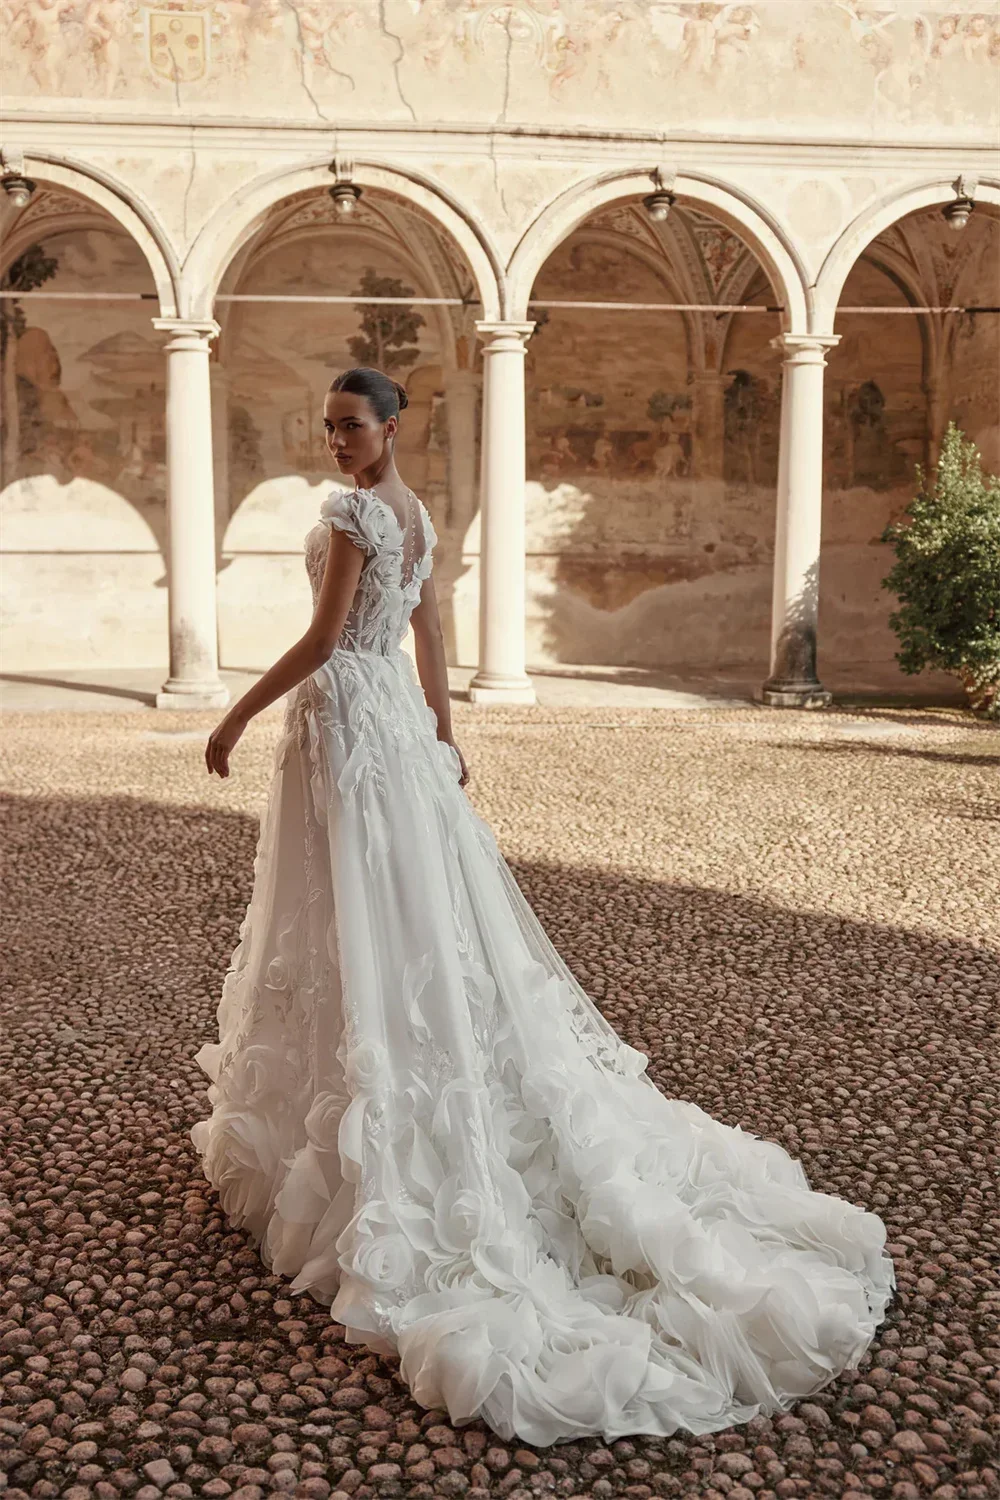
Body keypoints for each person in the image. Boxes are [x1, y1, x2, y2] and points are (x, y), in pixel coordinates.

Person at [193, 364, 895, 1446]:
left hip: (349, 723)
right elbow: (422, 629)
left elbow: (333, 638)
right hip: (384, 733)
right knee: (389, 919)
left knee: (371, 920)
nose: (335, 442)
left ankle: (377, 1130)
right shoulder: (415, 511)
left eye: (351, 425)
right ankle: (344, 1104)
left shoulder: (349, 513)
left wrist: (234, 718)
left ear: (390, 425)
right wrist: (441, 727)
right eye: (326, 427)